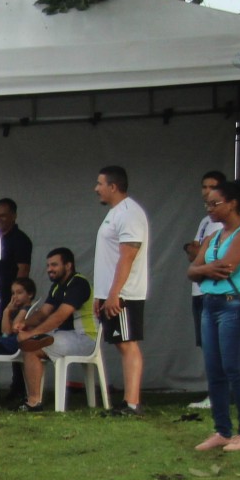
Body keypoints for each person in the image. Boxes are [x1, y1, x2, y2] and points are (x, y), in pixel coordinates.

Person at [187, 177, 240, 452]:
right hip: (211, 304)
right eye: (207, 204)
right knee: (214, 370)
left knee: (235, 369)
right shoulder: (214, 236)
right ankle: (221, 430)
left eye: (215, 203)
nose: (210, 208)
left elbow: (227, 267)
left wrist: (203, 268)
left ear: (232, 204)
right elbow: (191, 271)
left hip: (234, 305)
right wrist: (207, 269)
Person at [93, 164, 149, 415]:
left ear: (113, 187)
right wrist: (100, 294)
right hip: (112, 292)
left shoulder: (129, 213)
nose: (96, 189)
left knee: (128, 344)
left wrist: (115, 293)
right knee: (121, 343)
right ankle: (129, 401)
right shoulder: (115, 213)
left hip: (125, 293)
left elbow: (127, 256)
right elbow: (108, 257)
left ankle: (132, 403)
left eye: (100, 184)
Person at [13, 248, 97, 410]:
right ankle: (32, 399)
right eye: (48, 265)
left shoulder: (79, 283)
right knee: (29, 343)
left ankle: (33, 402)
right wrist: (24, 324)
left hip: (85, 338)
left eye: (54, 265)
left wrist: (32, 333)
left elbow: (60, 316)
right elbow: (44, 312)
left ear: (68, 265)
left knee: (31, 346)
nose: (49, 269)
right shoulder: (57, 287)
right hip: (66, 336)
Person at [185, 172, 228, 349]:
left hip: (214, 291)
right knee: (206, 344)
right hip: (198, 290)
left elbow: (204, 255)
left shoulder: (223, 222)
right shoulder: (205, 220)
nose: (207, 191)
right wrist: (192, 249)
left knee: (219, 344)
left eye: (213, 187)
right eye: (204, 186)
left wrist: (194, 249)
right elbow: (194, 255)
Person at [0, 198, 34, 312]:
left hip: (7, 299)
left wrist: (15, 299)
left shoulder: (20, 240)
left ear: (14, 216)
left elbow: (23, 271)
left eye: (3, 215)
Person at [0, 276, 39, 355]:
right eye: (13, 293)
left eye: (19, 293)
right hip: (8, 343)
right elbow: (5, 332)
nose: (15, 296)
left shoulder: (26, 309)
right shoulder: (17, 309)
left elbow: (11, 331)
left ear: (30, 294)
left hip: (14, 345)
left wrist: (6, 311)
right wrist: (7, 311)